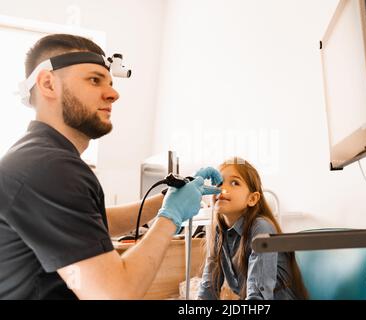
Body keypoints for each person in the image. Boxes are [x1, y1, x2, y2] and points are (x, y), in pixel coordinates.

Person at [0, 34, 222, 299]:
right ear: (48, 83)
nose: (114, 94)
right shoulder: (49, 167)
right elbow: (115, 294)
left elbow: (90, 223)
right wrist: (170, 218)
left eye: (111, 83)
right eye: (94, 80)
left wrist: (164, 202)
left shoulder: (37, 157)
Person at [197, 157, 308, 300]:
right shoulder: (219, 232)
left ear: (253, 199)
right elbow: (208, 289)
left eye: (234, 183)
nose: (222, 188)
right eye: (218, 182)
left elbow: (258, 296)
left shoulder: (261, 227)